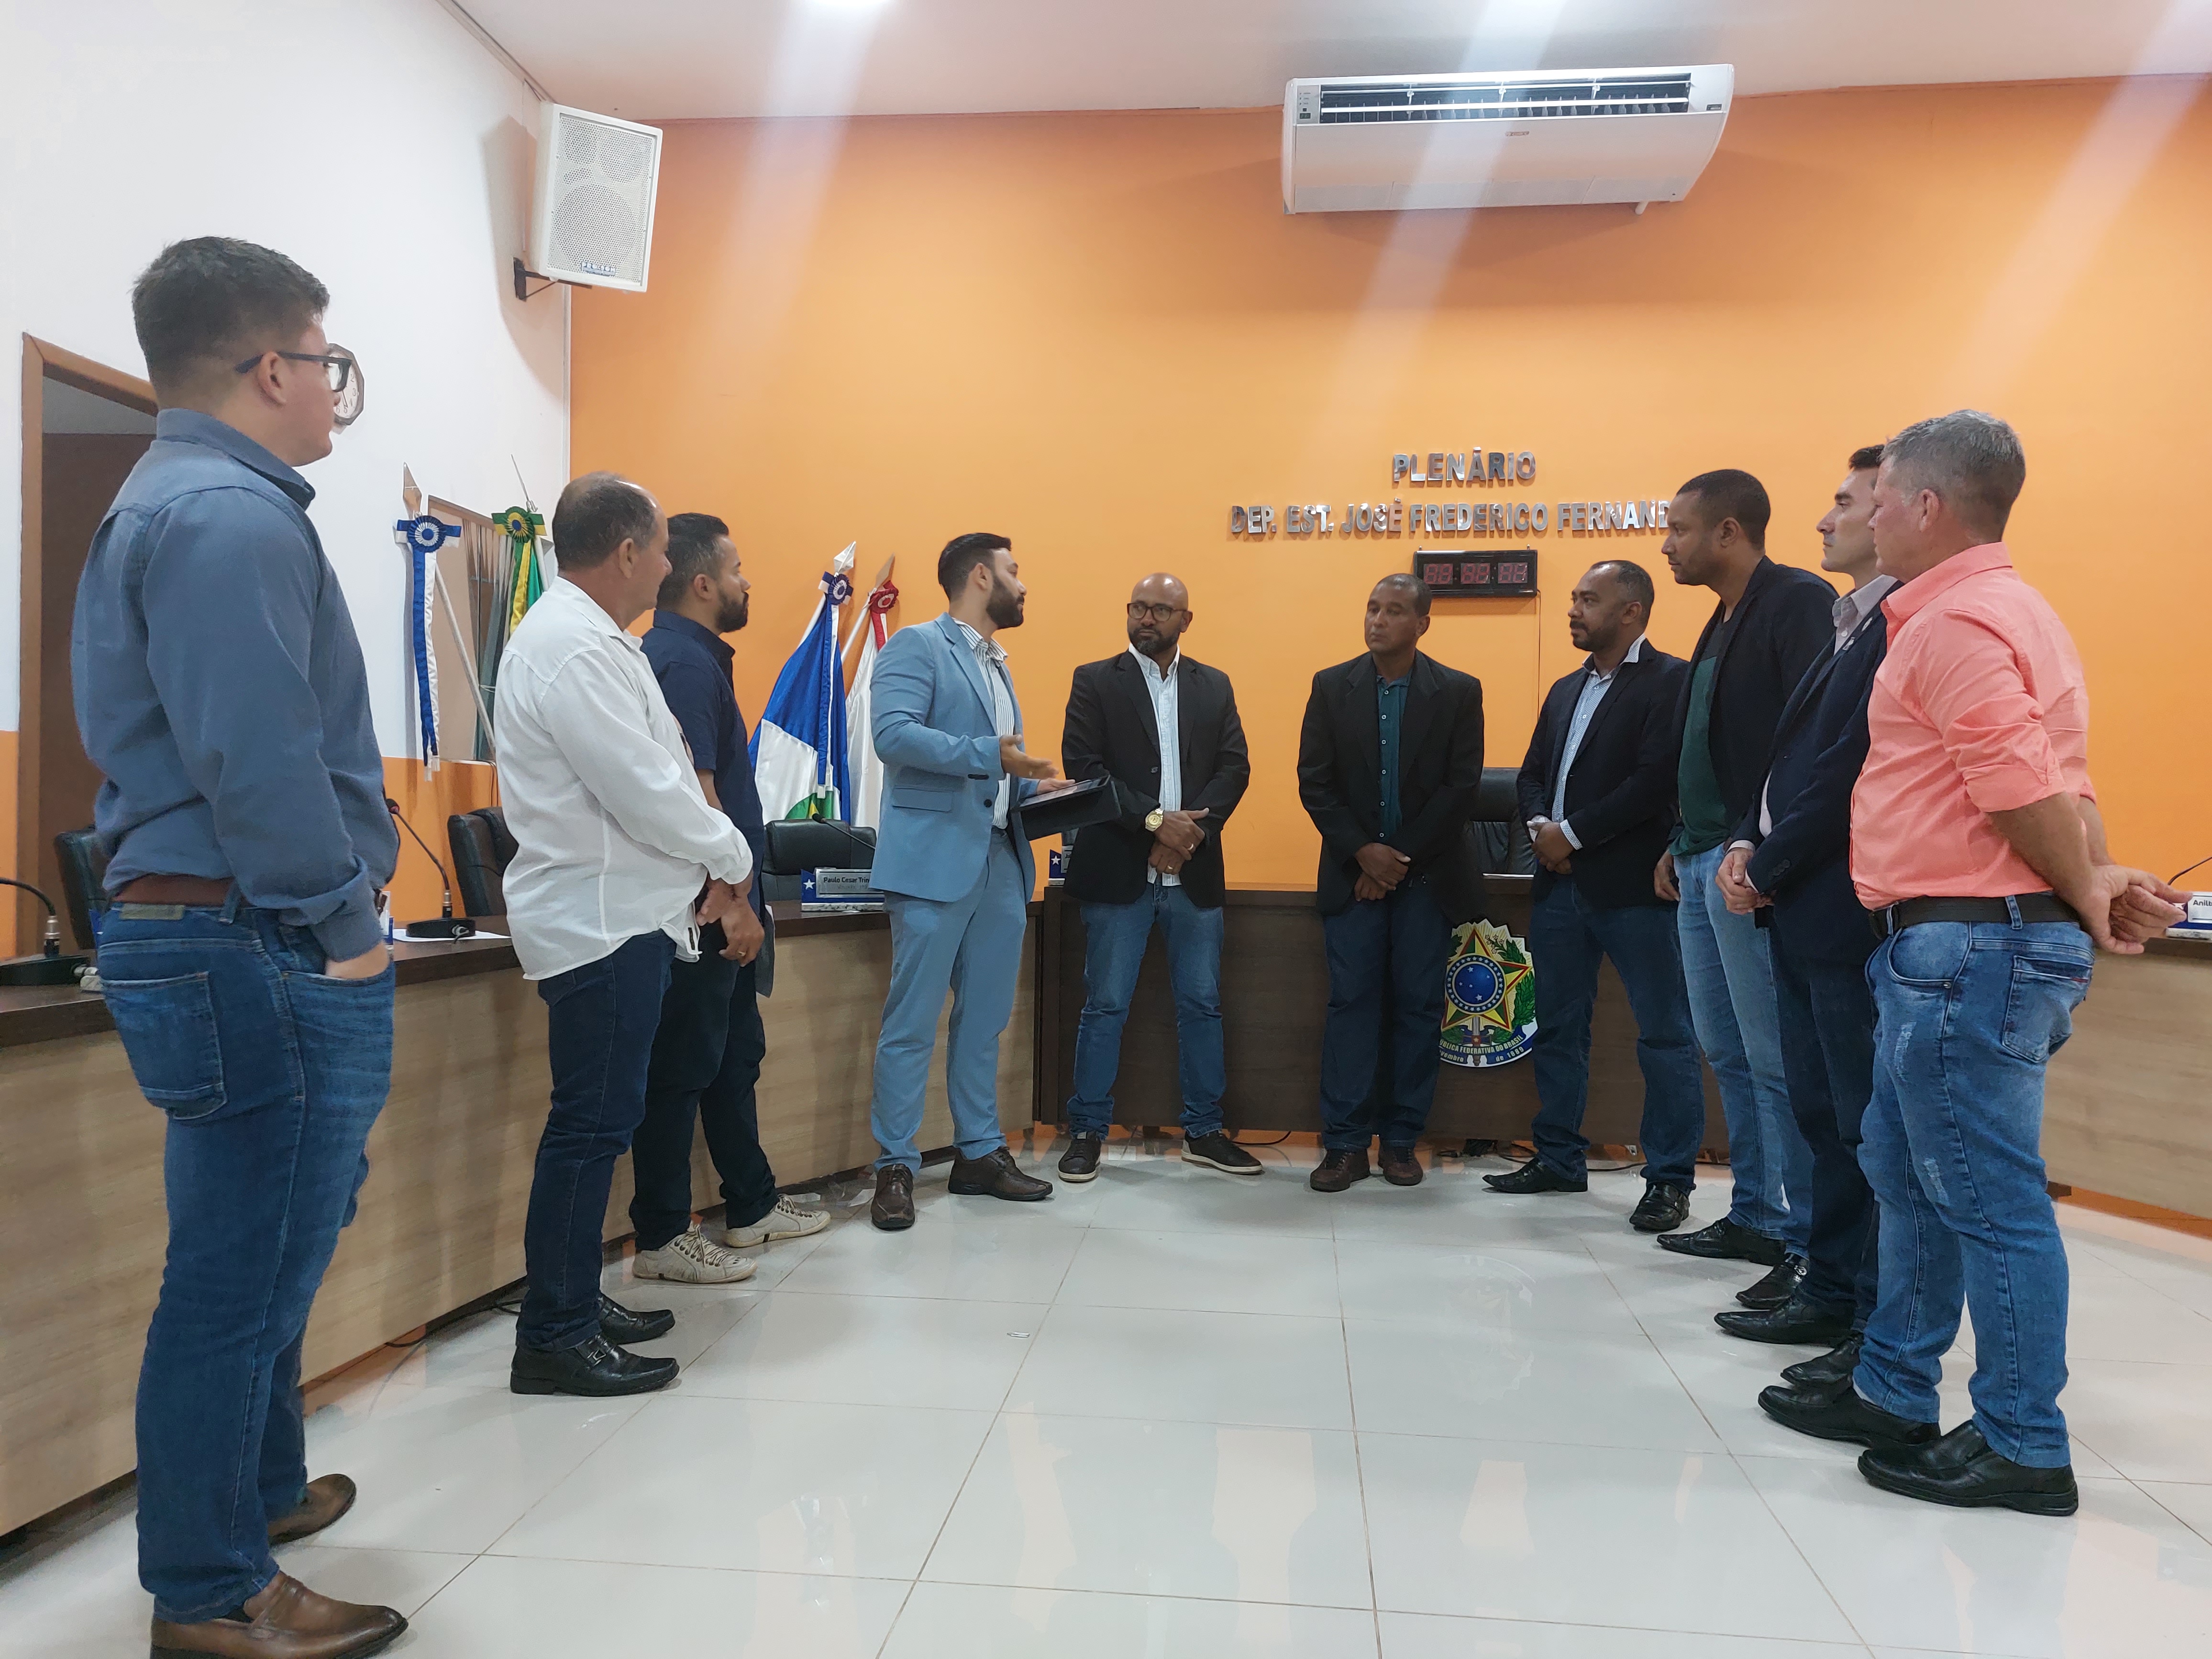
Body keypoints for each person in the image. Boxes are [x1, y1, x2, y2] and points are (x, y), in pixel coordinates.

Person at [72, 238, 406, 1658]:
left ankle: (259, 1490)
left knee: (265, 1241)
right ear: (272, 368)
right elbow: (258, 762)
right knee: (238, 1272)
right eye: (327, 362)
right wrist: (345, 927)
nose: (334, 388)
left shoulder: (187, 501)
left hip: (220, 925)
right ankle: (211, 1591)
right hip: (253, 931)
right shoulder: (226, 518)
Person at [1757, 411, 2183, 1514]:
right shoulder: (2009, 610)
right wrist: (2092, 873)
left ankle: (2020, 1442)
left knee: (1988, 1201)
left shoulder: (1955, 620)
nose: (1864, 510)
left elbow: (2013, 785)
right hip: (1957, 941)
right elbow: (2065, 781)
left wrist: (2083, 886)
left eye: (1880, 493)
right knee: (1906, 1178)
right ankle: (1893, 1385)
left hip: (1967, 947)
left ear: (1926, 505)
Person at [498, 473, 758, 1397]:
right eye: (658, 548)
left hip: (621, 919)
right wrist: (729, 851)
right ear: (625, 552)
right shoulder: (571, 646)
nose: (666, 563)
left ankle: (572, 1298)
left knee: (598, 1126)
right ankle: (554, 1333)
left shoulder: (596, 639)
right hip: (598, 924)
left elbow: (656, 770)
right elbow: (643, 787)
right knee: (587, 1129)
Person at [1712, 446, 1894, 1359]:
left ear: (1901, 509)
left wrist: (1769, 857)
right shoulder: (1845, 623)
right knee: (1821, 1114)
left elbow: (1843, 775)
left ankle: (1863, 1318)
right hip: (1794, 897)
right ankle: (1824, 1289)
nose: (1823, 519)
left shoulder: (1900, 624)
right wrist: (1745, 838)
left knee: (1858, 1124)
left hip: (1838, 906)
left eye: (1844, 501)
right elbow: (1785, 760)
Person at [629, 514, 828, 1285]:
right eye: (739, 569)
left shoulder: (698, 658)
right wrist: (734, 899)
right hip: (703, 907)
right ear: (705, 582)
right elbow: (696, 794)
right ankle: (660, 1235)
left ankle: (751, 1204)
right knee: (681, 1070)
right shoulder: (679, 662)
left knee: (731, 1057)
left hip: (723, 897)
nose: (749, 582)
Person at [1654, 470, 1835, 1311]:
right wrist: (1678, 837)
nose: (1667, 545)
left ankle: (1808, 1243)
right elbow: (1707, 742)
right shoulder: (1719, 618)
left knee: (1775, 1062)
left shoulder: (1794, 602)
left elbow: (1807, 739)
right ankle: (1757, 1213)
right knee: (1725, 1050)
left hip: (1746, 864)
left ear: (1728, 532)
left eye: (1679, 529)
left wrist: (1752, 846)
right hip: (1698, 854)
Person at [865, 533, 1072, 1229]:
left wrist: (1040, 789)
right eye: (1015, 570)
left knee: (984, 1021)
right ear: (982, 577)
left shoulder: (997, 664)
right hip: (932, 862)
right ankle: (895, 1165)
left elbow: (994, 774)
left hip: (1001, 862)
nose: (1024, 583)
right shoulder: (916, 646)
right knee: (911, 1024)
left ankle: (978, 1153)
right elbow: (893, 736)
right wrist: (993, 754)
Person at [1492, 560, 1701, 1232]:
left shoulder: (1671, 681)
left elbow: (1653, 781)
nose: (1573, 610)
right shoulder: (1565, 689)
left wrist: (1572, 834)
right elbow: (1531, 774)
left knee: (1664, 1034)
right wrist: (1540, 828)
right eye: (1574, 598)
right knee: (1557, 1027)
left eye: (1589, 599)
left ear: (1631, 611)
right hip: (1559, 888)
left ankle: (1668, 1179)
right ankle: (1558, 1157)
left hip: (1635, 889)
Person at [1057, 572, 1256, 1181]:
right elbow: (1086, 770)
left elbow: (1234, 769)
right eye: (1138, 607)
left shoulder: (1213, 685)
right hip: (1118, 870)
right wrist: (1154, 824)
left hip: (1192, 873)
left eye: (1161, 610)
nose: (1146, 619)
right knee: (1105, 1005)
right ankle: (1086, 1131)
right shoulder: (1095, 680)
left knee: (1202, 1004)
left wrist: (1187, 836)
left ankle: (1204, 1131)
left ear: (1185, 621)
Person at [1296, 573, 1486, 1193]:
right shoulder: (1331, 686)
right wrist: (1363, 854)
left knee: (1417, 1008)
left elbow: (1460, 789)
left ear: (1422, 624)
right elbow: (1315, 782)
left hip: (1426, 879)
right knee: (1351, 1007)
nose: (1377, 620)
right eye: (1372, 608)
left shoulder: (1457, 691)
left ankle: (1401, 1142)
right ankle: (1345, 1145)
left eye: (1394, 611)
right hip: (1352, 877)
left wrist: (1393, 859)